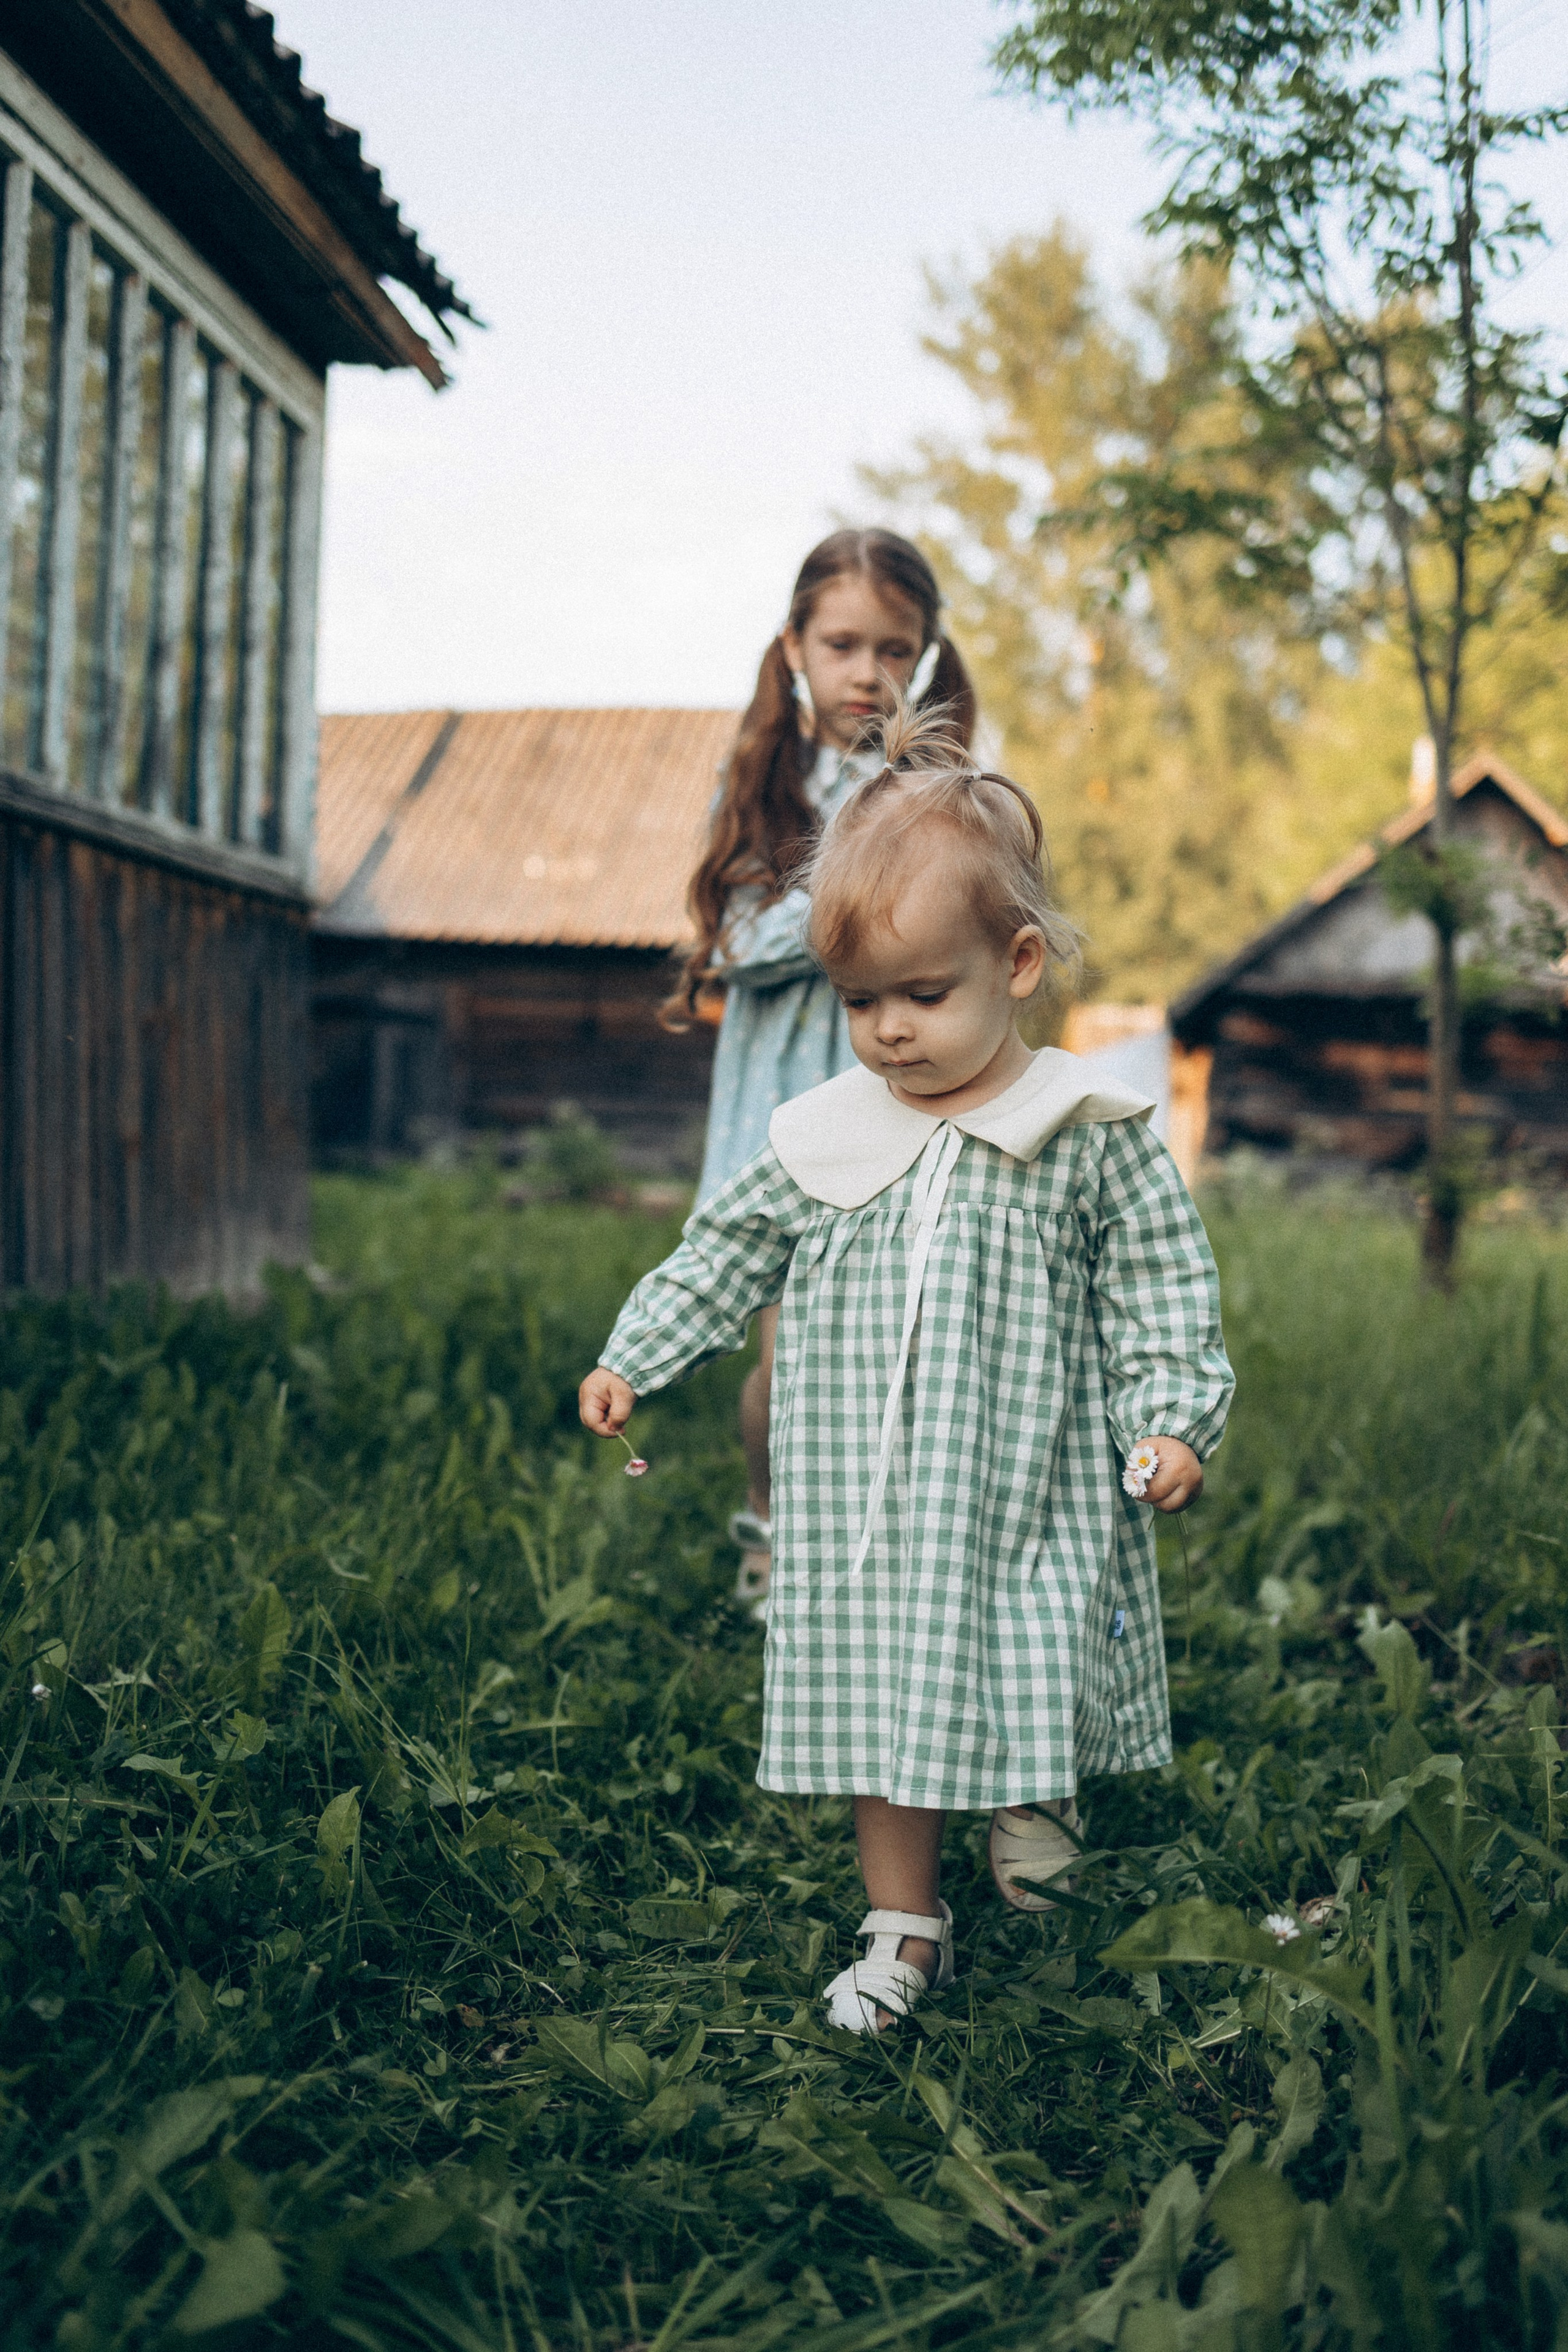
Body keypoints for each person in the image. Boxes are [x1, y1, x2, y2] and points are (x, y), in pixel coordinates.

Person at [584, 703, 1233, 2034]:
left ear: (1017, 962)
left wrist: (1172, 1420)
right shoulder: (823, 1136)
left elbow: (1160, 1289)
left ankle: (1034, 1823)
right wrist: (637, 1356)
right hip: (867, 1509)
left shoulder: (1080, 1132)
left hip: (1030, 1493)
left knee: (1028, 1658)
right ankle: (903, 1922)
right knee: (885, 1696)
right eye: (858, 1000)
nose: (885, 1031)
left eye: (922, 996)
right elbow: (725, 1251)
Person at [669, 530, 976, 1612]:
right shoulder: (762, 779)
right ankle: (771, 1532)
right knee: (793, 1356)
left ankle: (891, 1552)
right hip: (786, 1120)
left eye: (896, 649)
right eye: (842, 643)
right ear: (795, 645)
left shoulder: (945, 790)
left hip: (911, 1106)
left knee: (916, 1354)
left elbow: (968, 936)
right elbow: (742, 945)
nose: (867, 673)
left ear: (927, 655)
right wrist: (866, 889)